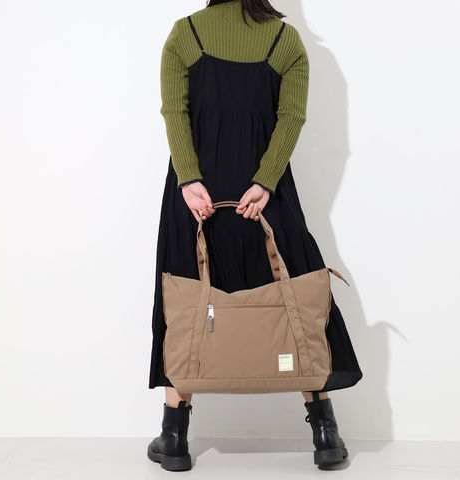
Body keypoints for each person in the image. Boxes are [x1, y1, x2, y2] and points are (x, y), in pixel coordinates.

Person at [147, 0, 363, 471]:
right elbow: (292, 117)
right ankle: (325, 432)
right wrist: (265, 182)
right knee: (298, 294)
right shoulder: (285, 41)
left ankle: (174, 438)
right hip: (264, 193)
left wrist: (189, 179)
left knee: (185, 298)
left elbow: (174, 111)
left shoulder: (186, 33)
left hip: (196, 195)